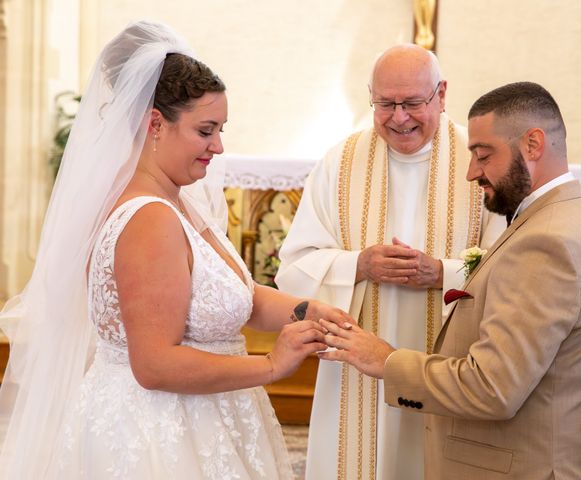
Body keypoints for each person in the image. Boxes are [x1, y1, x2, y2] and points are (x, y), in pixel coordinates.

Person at [0, 20, 351, 479]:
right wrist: (270, 364)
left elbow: (238, 294)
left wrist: (308, 311)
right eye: (206, 130)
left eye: (221, 129)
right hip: (157, 432)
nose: (218, 146)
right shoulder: (149, 219)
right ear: (156, 124)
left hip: (204, 418)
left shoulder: (178, 201)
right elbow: (154, 364)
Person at [318, 81, 581, 479]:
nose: (471, 172)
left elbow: (493, 389)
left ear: (533, 144)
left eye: (483, 155)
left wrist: (386, 360)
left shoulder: (546, 242)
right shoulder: (567, 216)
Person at [275, 44, 505, 479]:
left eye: (413, 103)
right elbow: (294, 265)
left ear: (441, 95)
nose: (399, 117)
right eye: (386, 104)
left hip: (448, 363)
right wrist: (358, 265)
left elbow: (511, 267)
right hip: (356, 375)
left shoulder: (480, 161)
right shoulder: (339, 164)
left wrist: (440, 273)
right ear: (371, 98)